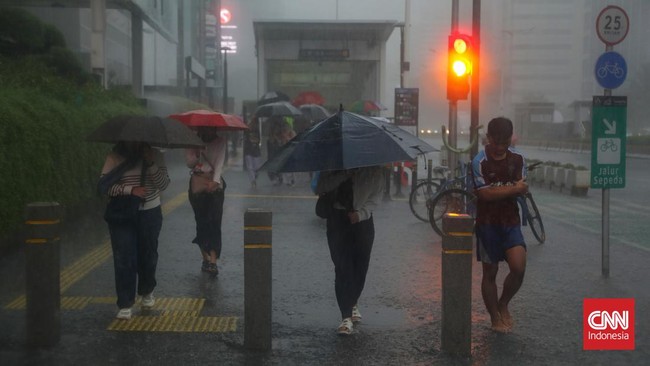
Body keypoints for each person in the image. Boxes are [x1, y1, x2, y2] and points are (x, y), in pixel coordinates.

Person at [100, 141, 170, 320]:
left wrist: (151, 163)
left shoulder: (156, 154)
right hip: (123, 215)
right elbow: (104, 186)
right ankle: (125, 302)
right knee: (124, 257)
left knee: (148, 254)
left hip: (150, 213)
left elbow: (163, 185)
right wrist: (131, 190)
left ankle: (147, 290)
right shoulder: (114, 156)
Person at [471, 117, 528, 333]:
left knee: (518, 267)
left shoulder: (518, 159)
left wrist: (508, 190)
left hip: (511, 221)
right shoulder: (479, 161)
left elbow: (523, 187)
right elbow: (485, 194)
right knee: (490, 272)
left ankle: (503, 303)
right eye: (496, 142)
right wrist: (513, 189)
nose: (500, 148)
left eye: (505, 143)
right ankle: (494, 315)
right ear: (489, 138)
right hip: (487, 224)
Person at [315, 166, 384, 335]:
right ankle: (345, 316)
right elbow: (320, 188)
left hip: (363, 222)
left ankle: (352, 302)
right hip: (337, 220)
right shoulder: (332, 165)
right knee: (342, 267)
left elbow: (376, 197)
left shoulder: (374, 170)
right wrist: (344, 174)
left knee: (360, 267)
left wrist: (360, 214)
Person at [185, 127, 227, 275]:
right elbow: (189, 163)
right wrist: (197, 153)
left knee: (215, 222)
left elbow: (220, 163)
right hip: (198, 183)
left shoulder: (220, 141)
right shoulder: (192, 140)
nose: (208, 131)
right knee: (201, 221)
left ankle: (213, 261)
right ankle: (205, 257)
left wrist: (215, 182)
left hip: (214, 184)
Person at [243, 118, 262, 188]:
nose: (252, 123)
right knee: (250, 167)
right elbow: (245, 138)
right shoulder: (246, 130)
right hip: (248, 150)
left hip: (256, 150)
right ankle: (253, 181)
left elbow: (258, 139)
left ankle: (255, 174)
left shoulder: (257, 130)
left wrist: (255, 140)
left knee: (257, 167)